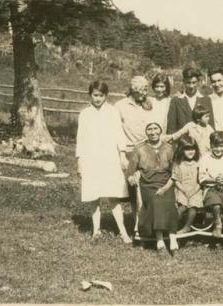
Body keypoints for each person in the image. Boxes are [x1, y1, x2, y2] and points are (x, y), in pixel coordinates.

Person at [76, 80, 131, 244]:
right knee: (94, 196)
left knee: (113, 195)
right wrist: (80, 161)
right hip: (91, 158)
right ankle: (96, 230)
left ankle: (123, 232)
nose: (98, 98)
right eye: (95, 95)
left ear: (106, 96)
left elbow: (119, 134)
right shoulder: (85, 114)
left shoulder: (113, 112)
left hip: (109, 157)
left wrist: (122, 155)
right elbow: (81, 139)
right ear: (90, 95)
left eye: (101, 95)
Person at [127, 122, 179, 254]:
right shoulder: (139, 148)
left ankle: (173, 240)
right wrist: (132, 178)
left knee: (169, 202)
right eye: (149, 129)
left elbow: (175, 169)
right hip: (147, 185)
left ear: (161, 131)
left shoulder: (169, 148)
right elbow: (130, 170)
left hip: (166, 183)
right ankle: (160, 240)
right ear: (146, 132)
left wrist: (168, 185)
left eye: (155, 128)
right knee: (156, 201)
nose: (153, 132)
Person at [116, 76, 158, 226]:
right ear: (133, 90)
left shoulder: (149, 104)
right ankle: (137, 223)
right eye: (141, 90)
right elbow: (116, 131)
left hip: (147, 150)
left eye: (146, 90)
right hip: (129, 150)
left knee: (149, 185)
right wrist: (121, 154)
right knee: (133, 188)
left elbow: (155, 126)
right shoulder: (120, 106)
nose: (144, 93)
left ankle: (150, 221)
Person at [198, 131, 223, 240]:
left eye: (222, 146)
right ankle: (218, 225)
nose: (218, 149)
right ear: (210, 145)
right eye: (215, 146)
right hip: (211, 188)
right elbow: (202, 178)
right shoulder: (205, 158)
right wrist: (214, 180)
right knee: (216, 204)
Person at [171, 135, 202, 234]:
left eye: (193, 149)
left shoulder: (198, 164)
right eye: (187, 149)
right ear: (181, 150)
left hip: (195, 190)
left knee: (193, 205)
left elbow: (200, 181)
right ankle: (172, 226)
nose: (191, 151)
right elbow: (176, 180)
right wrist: (184, 191)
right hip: (181, 189)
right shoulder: (178, 164)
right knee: (182, 206)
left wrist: (193, 191)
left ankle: (187, 227)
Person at [167, 67, 212, 135]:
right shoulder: (176, 100)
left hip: (202, 141)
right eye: (188, 83)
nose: (191, 86)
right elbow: (171, 126)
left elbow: (211, 123)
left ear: (198, 82)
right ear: (184, 82)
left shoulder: (206, 100)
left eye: (194, 82)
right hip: (183, 142)